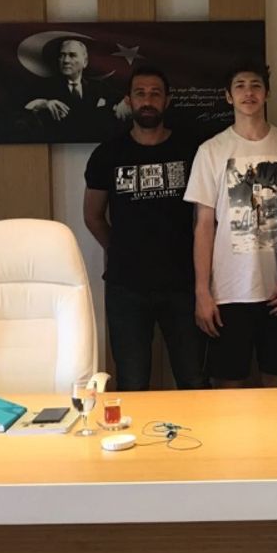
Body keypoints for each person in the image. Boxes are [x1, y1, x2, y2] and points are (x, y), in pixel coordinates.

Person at [83, 65, 208, 391]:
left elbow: (206, 218)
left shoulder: (192, 151)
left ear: (167, 100)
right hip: (127, 287)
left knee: (194, 378)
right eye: (140, 93)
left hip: (183, 283)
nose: (148, 100)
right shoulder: (107, 154)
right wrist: (118, 249)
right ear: (129, 100)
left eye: (155, 94)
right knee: (132, 381)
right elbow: (93, 216)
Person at [184, 61, 277, 388]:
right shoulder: (211, 151)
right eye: (240, 86)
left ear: (267, 93)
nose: (248, 93)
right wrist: (202, 291)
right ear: (228, 96)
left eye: (255, 85)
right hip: (228, 291)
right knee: (229, 386)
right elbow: (203, 225)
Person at [24, 38, 122, 142]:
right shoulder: (44, 86)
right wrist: (44, 103)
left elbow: (123, 100)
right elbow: (22, 110)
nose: (65, 60)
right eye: (62, 55)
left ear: (85, 62)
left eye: (72, 55)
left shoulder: (99, 87)